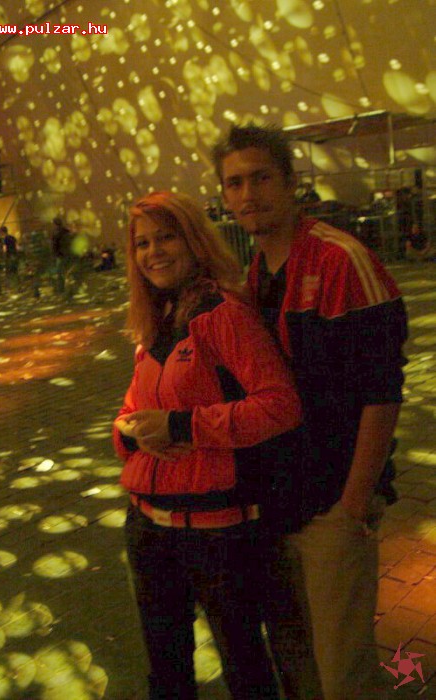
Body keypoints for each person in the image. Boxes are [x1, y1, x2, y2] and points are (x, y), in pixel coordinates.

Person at [212, 123, 408, 700]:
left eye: (261, 178)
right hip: (283, 499)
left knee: (343, 671)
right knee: (299, 660)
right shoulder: (257, 273)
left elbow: (382, 393)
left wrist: (352, 507)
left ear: (291, 182)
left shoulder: (341, 260)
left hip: (333, 503)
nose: (248, 194)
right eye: (234, 183)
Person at [112, 190, 307, 700]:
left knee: (244, 666)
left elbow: (280, 405)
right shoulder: (155, 322)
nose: (153, 252)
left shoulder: (223, 314)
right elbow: (131, 411)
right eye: (142, 243)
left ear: (195, 240)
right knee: (167, 670)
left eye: (166, 237)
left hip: (216, 535)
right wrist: (130, 432)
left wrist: (182, 427)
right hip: (147, 525)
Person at [51, 216, 72, 294]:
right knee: (67, 272)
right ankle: (69, 287)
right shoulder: (66, 231)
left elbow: (55, 245)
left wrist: (54, 254)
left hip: (60, 255)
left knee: (60, 272)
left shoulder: (56, 233)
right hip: (67, 254)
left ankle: (61, 289)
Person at [0, 225, 19, 291]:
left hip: (9, 257)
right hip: (14, 256)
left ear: (2, 232)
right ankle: (18, 286)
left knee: (9, 272)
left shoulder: (5, 239)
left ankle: (12, 286)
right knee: (15, 271)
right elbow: (17, 247)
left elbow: (5, 249)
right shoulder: (13, 237)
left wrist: (4, 256)